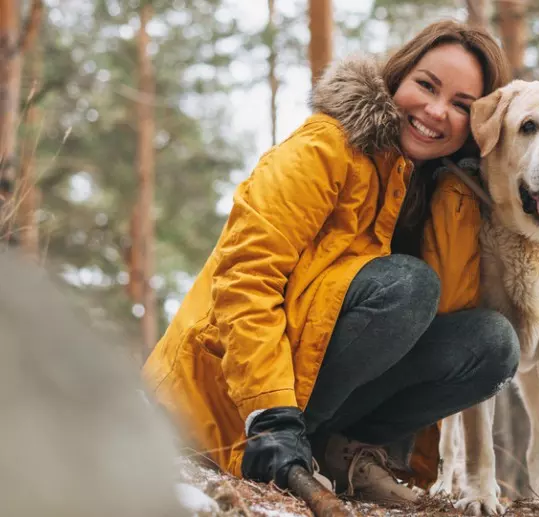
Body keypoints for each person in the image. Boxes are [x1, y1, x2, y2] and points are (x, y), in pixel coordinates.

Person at [142, 20, 517, 506]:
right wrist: (269, 415)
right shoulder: (325, 146)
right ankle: (277, 443)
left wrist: (465, 188)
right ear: (397, 77)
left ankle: (336, 453)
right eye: (426, 85)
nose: (436, 111)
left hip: (309, 396)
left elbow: (450, 312)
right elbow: (246, 280)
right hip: (227, 397)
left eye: (463, 106)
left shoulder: (445, 190)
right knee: (407, 286)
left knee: (492, 343)